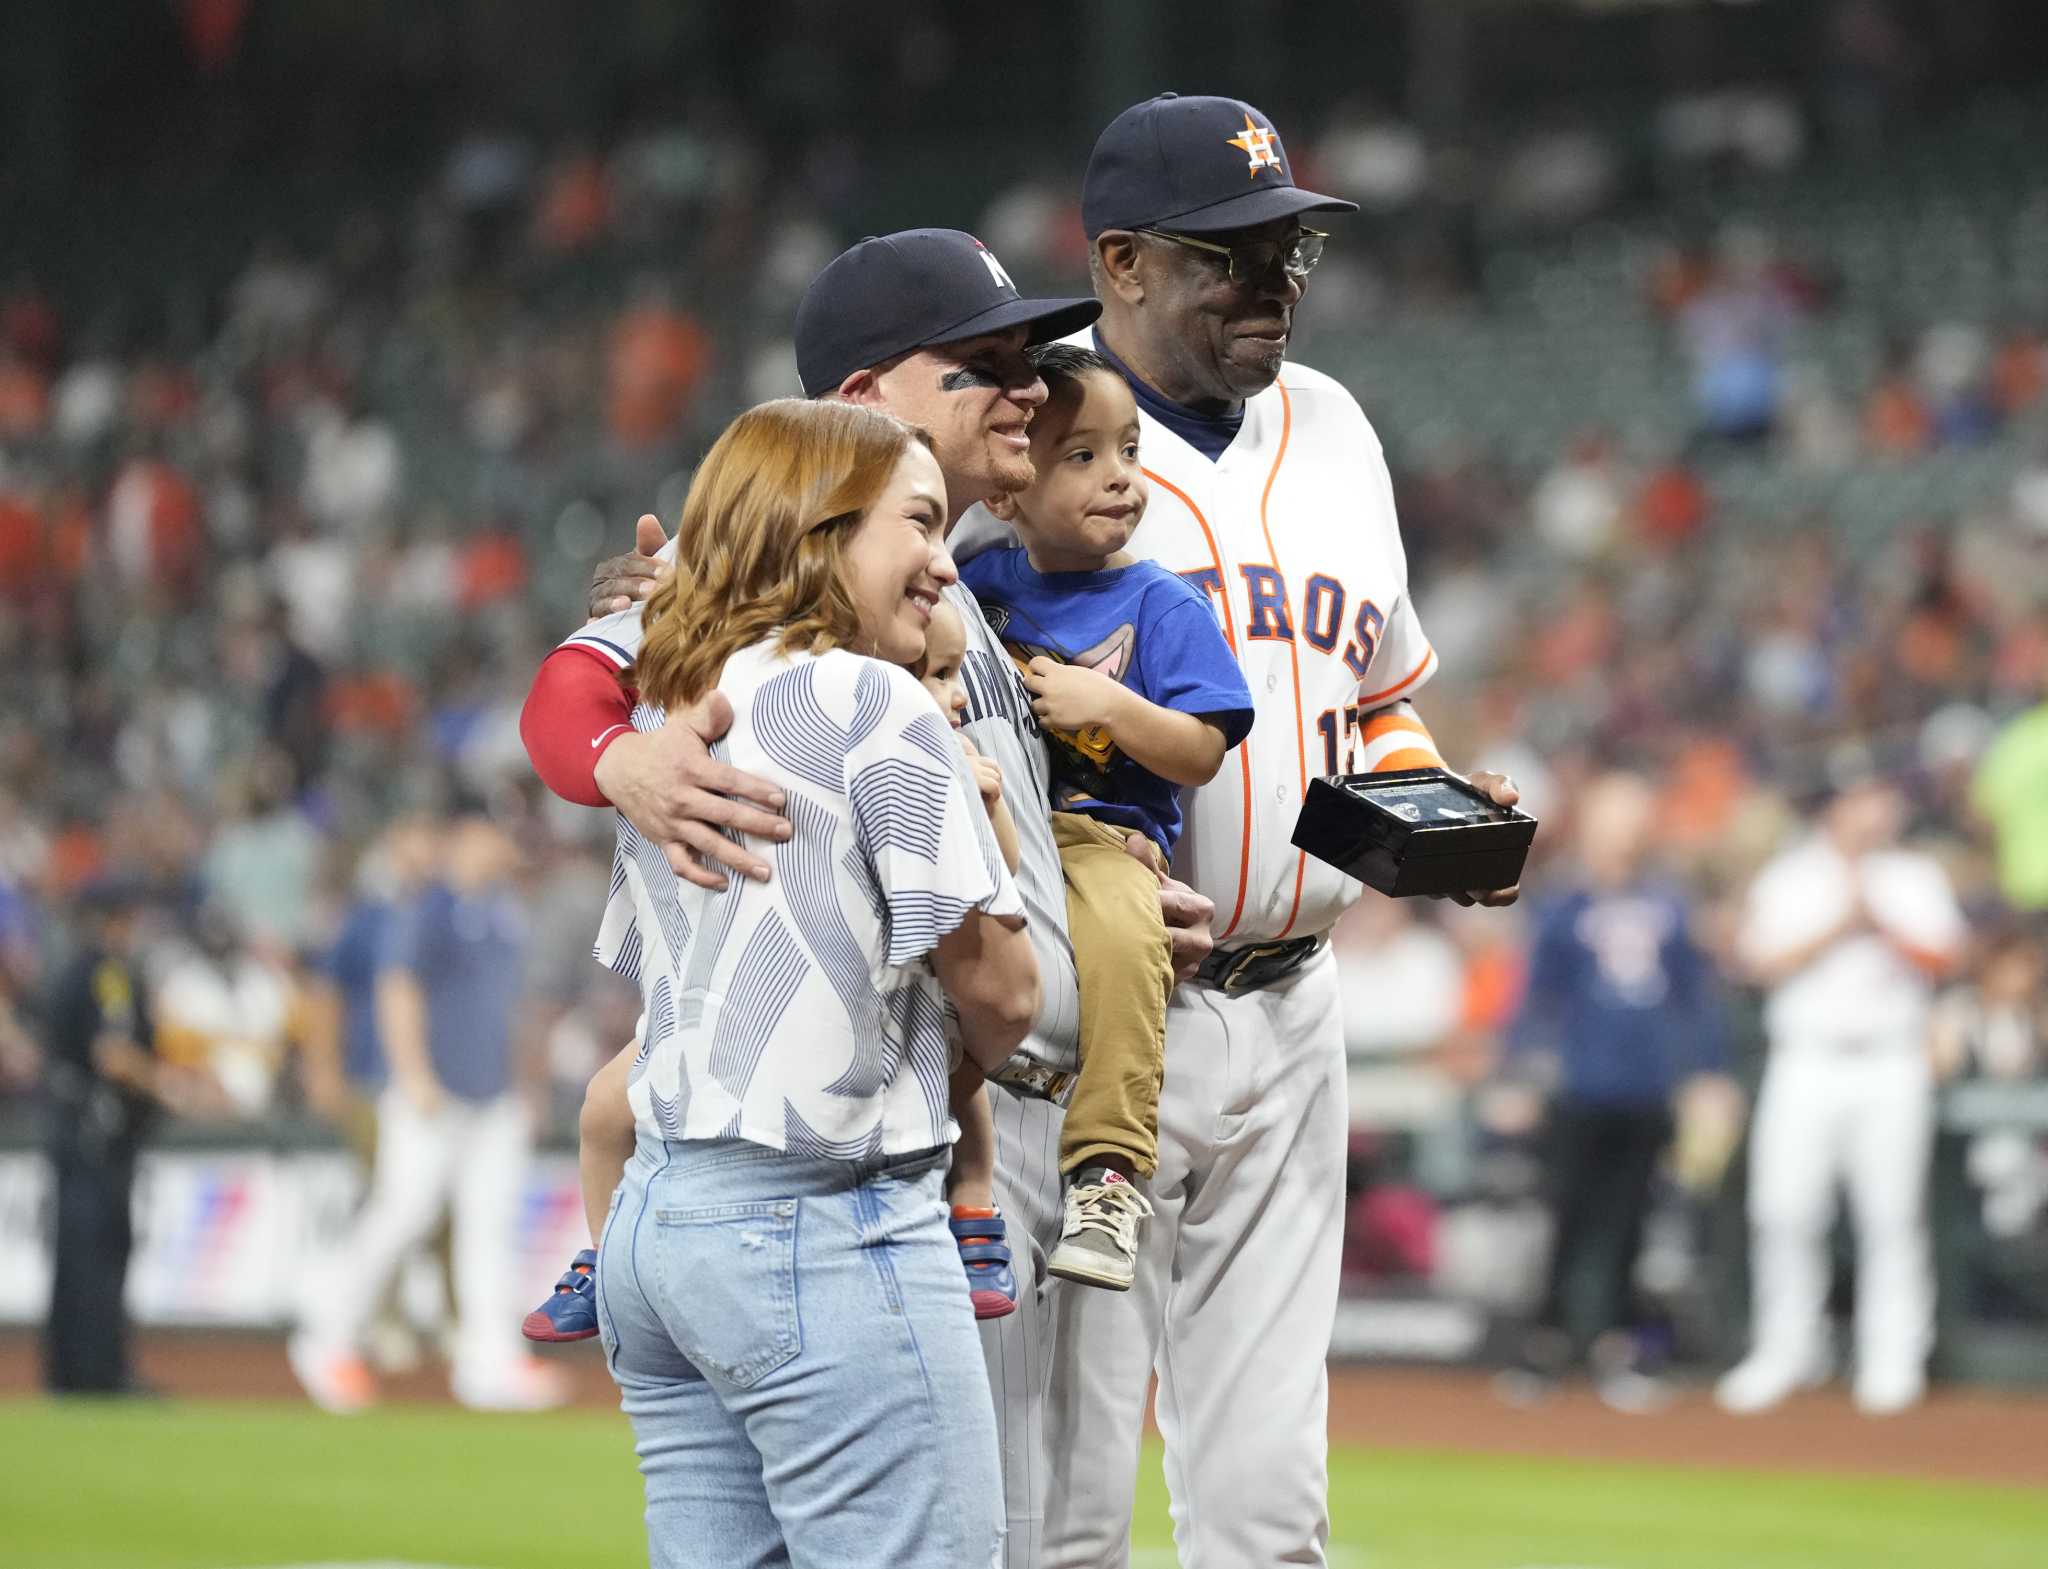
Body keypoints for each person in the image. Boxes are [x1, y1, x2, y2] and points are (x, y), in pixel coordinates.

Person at [593, 397, 1039, 1568]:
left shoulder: (662, 709)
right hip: (821, 1222)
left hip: (660, 1228)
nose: (945, 563)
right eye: (920, 524)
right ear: (820, 530)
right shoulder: (873, 697)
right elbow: (1004, 993)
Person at [965, 341, 1254, 1288]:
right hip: (996, 830)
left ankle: (1110, 1171)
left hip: (1100, 839)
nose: (1119, 476)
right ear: (1007, 487)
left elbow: (1206, 749)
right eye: (1080, 454)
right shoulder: (980, 582)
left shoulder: (1162, 602)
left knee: (1129, 944)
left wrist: (1115, 710)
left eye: (1128, 449)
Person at [289, 806, 565, 1414]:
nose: (501, 845)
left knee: (488, 1230)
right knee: (402, 1214)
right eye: (491, 832)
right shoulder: (428, 908)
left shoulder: (503, 913)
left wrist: (526, 1084)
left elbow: (515, 1008)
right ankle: (325, 1335)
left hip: (492, 1097)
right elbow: (396, 988)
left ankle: (490, 1362)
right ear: (463, 838)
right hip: (431, 1098)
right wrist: (413, 1073)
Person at [1717, 766, 1966, 1416]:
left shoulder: (1915, 876)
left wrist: (1878, 921)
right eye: (1861, 800)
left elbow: (1947, 959)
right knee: (1783, 1209)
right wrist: (1838, 925)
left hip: (1890, 1061)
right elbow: (1758, 963)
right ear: (1833, 810)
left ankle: (1894, 1358)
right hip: (1806, 1059)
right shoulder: (1791, 876)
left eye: (1881, 799)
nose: (1874, 812)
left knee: (1890, 1215)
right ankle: (1786, 1349)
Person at [1497, 771, 1731, 1412]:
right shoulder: (1565, 903)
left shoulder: (1670, 902)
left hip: (1646, 1086)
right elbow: (1536, 997)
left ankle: (1618, 1347)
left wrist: (1707, 1073)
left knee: (1632, 1223)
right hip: (1578, 1085)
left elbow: (1694, 996)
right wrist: (1519, 1073)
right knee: (1564, 1217)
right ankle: (1544, 1345)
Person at [41, 878, 191, 1393]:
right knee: (99, 1253)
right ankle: (101, 1374)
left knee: (75, 1255)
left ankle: (68, 1375)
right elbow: (113, 1052)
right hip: (96, 1137)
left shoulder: (70, 971)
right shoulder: (108, 975)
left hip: (72, 1130)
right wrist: (165, 1085)